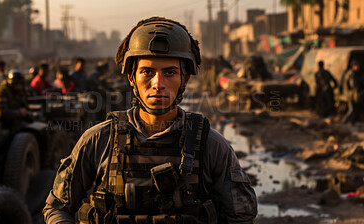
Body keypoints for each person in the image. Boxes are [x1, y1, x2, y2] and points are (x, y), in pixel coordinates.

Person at [43, 17, 257, 224]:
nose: (158, 83)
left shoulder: (211, 146)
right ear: (131, 77)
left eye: (170, 72)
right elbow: (57, 208)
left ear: (185, 78)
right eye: (147, 71)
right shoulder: (98, 140)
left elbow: (241, 216)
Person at [343, 60, 364, 124]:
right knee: (352, 109)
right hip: (350, 94)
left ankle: (351, 122)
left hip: (350, 93)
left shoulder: (352, 73)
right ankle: (344, 122)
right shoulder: (352, 73)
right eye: (357, 66)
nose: (358, 67)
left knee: (355, 109)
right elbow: (354, 85)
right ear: (353, 66)